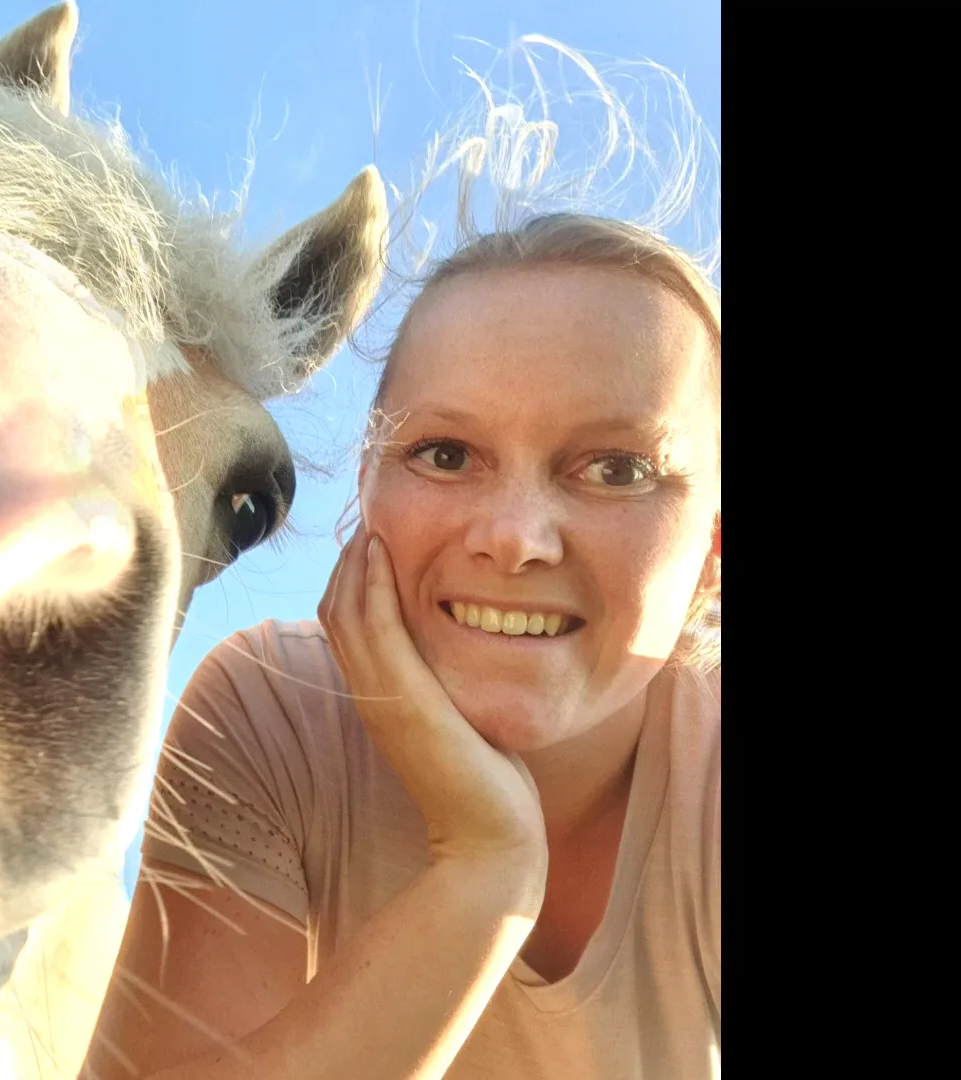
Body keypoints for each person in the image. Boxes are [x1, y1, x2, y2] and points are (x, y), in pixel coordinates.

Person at [84, 125, 722, 1080]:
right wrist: (485, 871)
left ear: (712, 551)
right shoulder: (272, 715)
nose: (515, 538)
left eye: (616, 469)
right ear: (366, 497)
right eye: (446, 454)